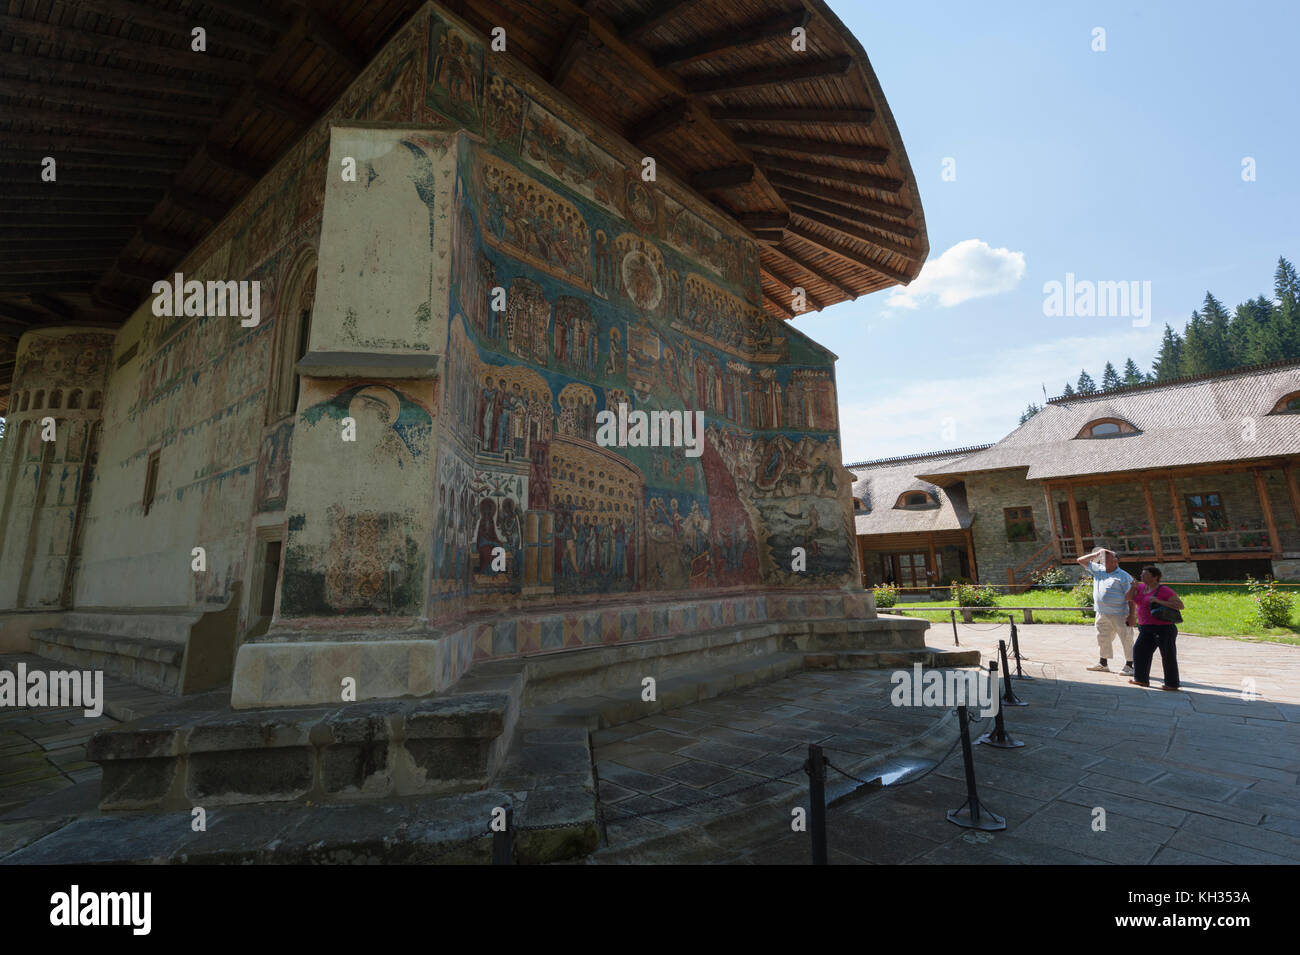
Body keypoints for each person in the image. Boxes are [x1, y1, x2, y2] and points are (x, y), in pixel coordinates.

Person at [1075, 546, 1136, 674]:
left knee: (1126, 638)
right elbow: (1080, 560)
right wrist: (1097, 553)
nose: (1102, 561)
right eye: (1101, 559)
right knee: (1103, 637)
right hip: (1101, 612)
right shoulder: (1099, 570)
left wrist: (1132, 615)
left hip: (1120, 614)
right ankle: (1103, 663)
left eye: (1105, 559)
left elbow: (1132, 597)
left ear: (1115, 561)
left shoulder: (1124, 576)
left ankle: (1130, 666)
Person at [1129, 565, 1184, 691]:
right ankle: (1141, 679)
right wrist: (1133, 587)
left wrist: (1159, 601)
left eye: (1145, 574)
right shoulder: (1141, 587)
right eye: (1142, 574)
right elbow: (1129, 598)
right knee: (1139, 651)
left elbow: (1180, 605)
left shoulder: (1164, 590)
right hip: (1145, 627)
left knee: (1167, 655)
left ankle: (1172, 684)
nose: (1142, 576)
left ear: (1155, 577)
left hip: (1164, 628)